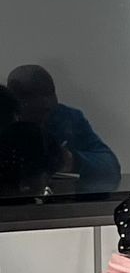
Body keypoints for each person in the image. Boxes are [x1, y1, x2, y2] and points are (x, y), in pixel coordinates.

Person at [5, 64, 120, 192]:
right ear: (15, 100)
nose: (47, 104)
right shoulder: (5, 123)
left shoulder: (66, 118)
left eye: (50, 93)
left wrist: (70, 160)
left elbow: (110, 167)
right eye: (33, 96)